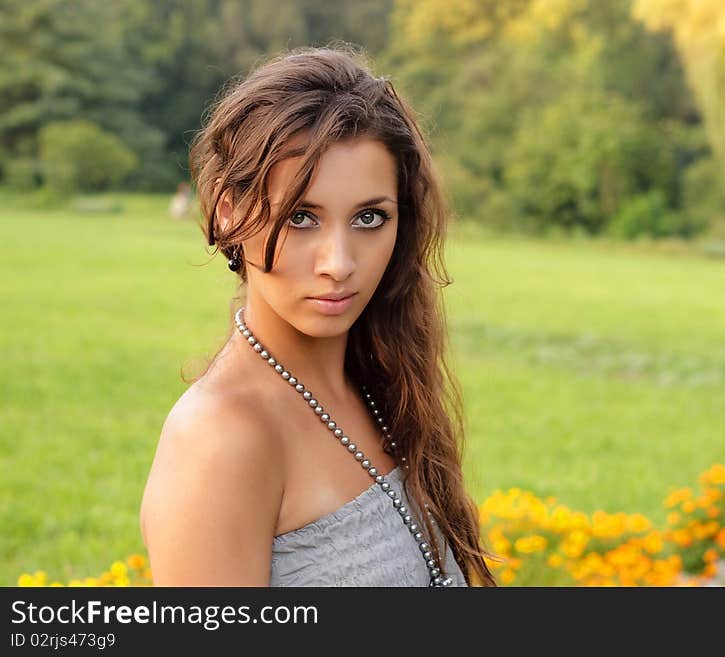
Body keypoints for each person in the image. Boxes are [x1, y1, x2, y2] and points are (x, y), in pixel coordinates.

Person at [139, 46, 498, 587]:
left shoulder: (384, 383)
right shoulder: (220, 439)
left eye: (370, 217)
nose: (340, 264)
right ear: (228, 212)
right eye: (302, 217)